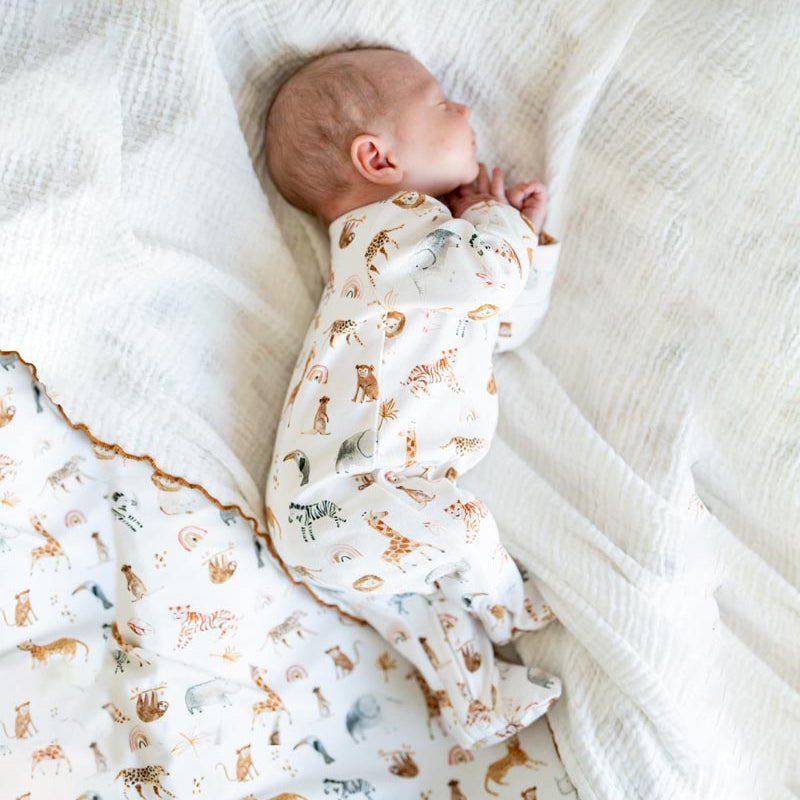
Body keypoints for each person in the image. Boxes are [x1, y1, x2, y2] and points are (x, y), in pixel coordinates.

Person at [263, 44, 563, 749]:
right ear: (377, 162)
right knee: (460, 530)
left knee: (424, 611)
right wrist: (496, 223)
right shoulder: (385, 241)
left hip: (347, 513)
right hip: (346, 496)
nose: (464, 110)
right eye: (440, 103)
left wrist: (522, 239)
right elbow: (491, 278)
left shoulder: (428, 253)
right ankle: (507, 605)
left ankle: (477, 702)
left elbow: (501, 323)